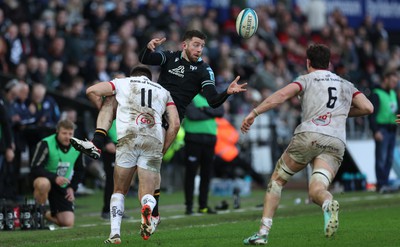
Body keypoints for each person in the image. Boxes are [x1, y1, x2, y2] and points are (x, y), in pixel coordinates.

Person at [71, 29, 247, 234]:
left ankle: (149, 213)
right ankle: (151, 211)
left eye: (202, 46)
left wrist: (227, 92)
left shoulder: (204, 70)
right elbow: (145, 59)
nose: (199, 50)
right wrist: (149, 47)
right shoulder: (170, 57)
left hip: (169, 116)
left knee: (151, 168)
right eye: (196, 44)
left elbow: (213, 101)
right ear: (185, 44)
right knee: (147, 164)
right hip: (152, 109)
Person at [240, 44, 374, 245]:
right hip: (335, 142)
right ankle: (327, 202)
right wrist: (339, 114)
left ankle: (263, 233)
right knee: (316, 191)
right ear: (329, 63)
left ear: (308, 62)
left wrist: (254, 112)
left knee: (277, 180)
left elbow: (281, 96)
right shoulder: (346, 84)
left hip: (309, 136)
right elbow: (368, 107)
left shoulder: (305, 79)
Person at [75, 66, 179, 243]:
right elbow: (175, 124)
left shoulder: (122, 83)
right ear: (149, 77)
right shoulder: (163, 91)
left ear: (133, 76)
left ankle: (115, 233)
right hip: (153, 139)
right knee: (147, 192)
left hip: (128, 137)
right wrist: (163, 149)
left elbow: (91, 91)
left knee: (119, 190)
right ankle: (148, 206)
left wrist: (105, 110)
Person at [30, 119, 86, 227]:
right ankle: (38, 218)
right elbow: (35, 168)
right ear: (57, 132)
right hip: (44, 181)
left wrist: (72, 188)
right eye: (64, 133)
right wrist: (54, 178)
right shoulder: (45, 143)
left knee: (68, 223)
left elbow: (80, 170)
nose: (67, 137)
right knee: (43, 183)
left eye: (70, 134)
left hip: (61, 185)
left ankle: (44, 214)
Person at [183, 93, 224, 215]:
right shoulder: (191, 96)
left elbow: (220, 112)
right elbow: (192, 115)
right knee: (191, 173)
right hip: (193, 139)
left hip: (210, 140)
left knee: (206, 174)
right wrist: (211, 111)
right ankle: (189, 207)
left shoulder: (213, 97)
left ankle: (203, 206)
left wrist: (204, 109)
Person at [369, 70, 399, 193]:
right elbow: (372, 115)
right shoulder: (376, 94)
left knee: (389, 158)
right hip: (382, 129)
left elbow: (396, 112)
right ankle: (381, 184)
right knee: (381, 157)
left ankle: (385, 183)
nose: (394, 84)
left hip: (392, 129)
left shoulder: (393, 93)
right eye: (392, 81)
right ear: (385, 79)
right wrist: (375, 131)